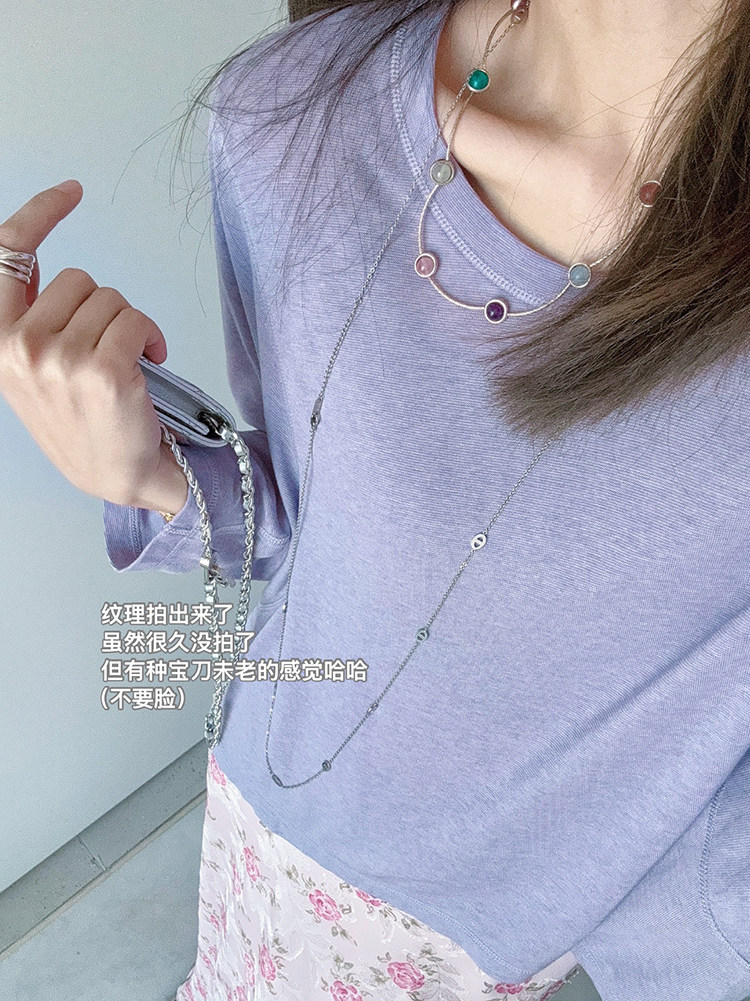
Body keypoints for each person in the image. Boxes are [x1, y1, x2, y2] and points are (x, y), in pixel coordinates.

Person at [0, 0, 748, 998]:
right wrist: (148, 478)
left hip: (513, 917)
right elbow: (316, 528)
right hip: (279, 796)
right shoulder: (289, 113)